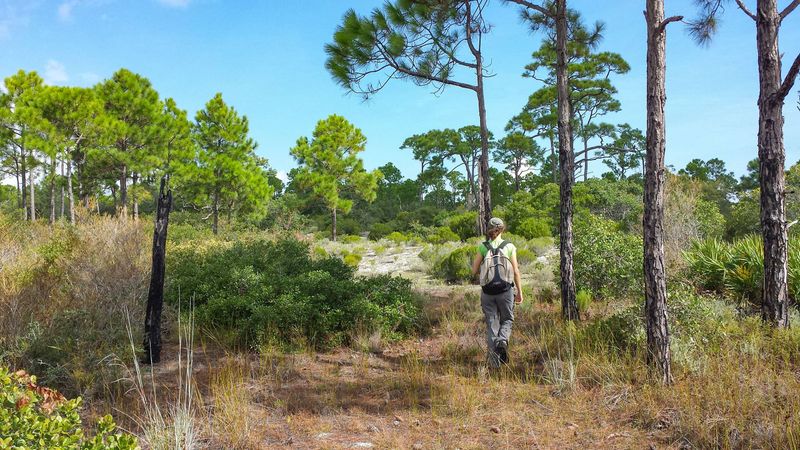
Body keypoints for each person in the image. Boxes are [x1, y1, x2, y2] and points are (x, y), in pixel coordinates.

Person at [471, 217, 523, 368]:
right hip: (506, 291)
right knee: (507, 319)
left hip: (487, 293)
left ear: (489, 229)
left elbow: (474, 270)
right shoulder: (509, 246)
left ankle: (494, 364)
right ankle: (503, 340)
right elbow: (516, 271)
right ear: (502, 229)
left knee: (492, 324)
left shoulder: (483, 247)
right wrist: (519, 291)